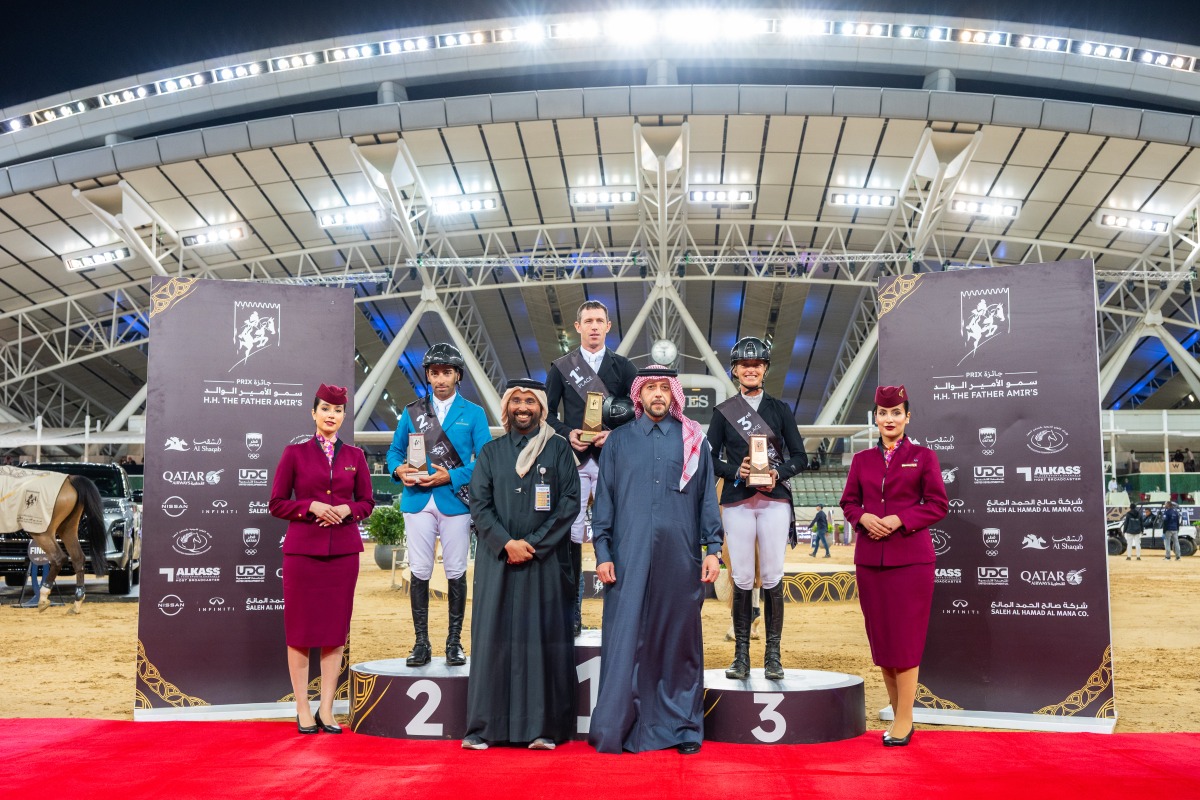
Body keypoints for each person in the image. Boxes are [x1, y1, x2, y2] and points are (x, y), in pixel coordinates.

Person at [588, 366, 724, 755]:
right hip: (627, 557)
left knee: (678, 643)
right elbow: (605, 502)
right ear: (639, 395)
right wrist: (603, 553)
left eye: (665, 388)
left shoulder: (693, 440)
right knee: (627, 641)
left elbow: (707, 499)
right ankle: (621, 726)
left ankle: (683, 728)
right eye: (651, 388)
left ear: (674, 394)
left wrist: (713, 549)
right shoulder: (618, 442)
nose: (659, 394)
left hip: (680, 557)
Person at [461, 379, 582, 751]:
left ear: (542, 407)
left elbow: (570, 503)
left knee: (542, 641)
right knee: (492, 640)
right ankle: (485, 728)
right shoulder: (491, 452)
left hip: (545, 562)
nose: (523, 407)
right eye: (516, 401)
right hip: (497, 561)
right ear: (507, 408)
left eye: (530, 401)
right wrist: (506, 543)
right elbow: (479, 504)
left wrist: (533, 544)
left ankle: (543, 728)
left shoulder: (559, 450)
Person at [839, 385, 948, 748]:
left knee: (906, 639)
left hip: (911, 562)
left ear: (907, 417)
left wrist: (901, 519)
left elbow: (937, 504)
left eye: (896, 413)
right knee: (883, 638)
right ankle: (899, 711)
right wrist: (863, 517)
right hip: (870, 562)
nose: (889, 419)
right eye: (883, 413)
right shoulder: (862, 460)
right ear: (876, 417)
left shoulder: (924, 457)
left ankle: (904, 718)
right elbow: (848, 502)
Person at [269, 383, 375, 735]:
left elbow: (367, 503)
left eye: (338, 410)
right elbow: (277, 503)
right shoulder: (294, 454)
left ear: (344, 416)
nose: (332, 415)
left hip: (343, 555)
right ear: (313, 413)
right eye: (326, 409)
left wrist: (347, 510)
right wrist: (309, 506)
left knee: (335, 632)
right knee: (299, 632)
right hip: (302, 554)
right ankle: (302, 707)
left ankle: (326, 708)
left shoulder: (356, 457)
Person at [706, 337, 807, 681]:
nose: (751, 369)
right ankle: (741, 657)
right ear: (735, 371)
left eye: (757, 365)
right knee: (742, 577)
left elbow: (800, 456)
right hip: (737, 501)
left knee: (773, 576)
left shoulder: (780, 410)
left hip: (774, 499)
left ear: (765, 369)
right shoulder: (723, 412)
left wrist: (778, 472)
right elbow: (709, 458)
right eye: (744, 365)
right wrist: (736, 471)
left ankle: (773, 656)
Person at [386, 343, 492, 667]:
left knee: (456, 570)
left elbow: (485, 459)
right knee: (420, 570)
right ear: (428, 376)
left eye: (447, 372)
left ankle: (454, 643)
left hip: (455, 501)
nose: (441, 379)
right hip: (417, 499)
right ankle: (421, 643)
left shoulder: (474, 413)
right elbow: (394, 451)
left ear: (457, 375)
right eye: (435, 373)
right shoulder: (412, 412)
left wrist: (452, 475)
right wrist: (398, 469)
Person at [545, 300, 638, 636]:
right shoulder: (561, 367)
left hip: (612, 460)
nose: (594, 326)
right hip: (573, 460)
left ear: (608, 326)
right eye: (588, 321)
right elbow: (547, 414)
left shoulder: (624, 367)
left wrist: (614, 434)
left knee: (615, 532)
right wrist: (567, 432)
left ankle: (620, 612)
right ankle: (572, 613)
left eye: (600, 321)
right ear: (578, 326)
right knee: (570, 536)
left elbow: (638, 412)